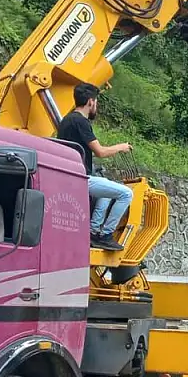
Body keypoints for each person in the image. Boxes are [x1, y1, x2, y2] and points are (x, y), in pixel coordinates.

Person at [56, 82, 134, 251]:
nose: (96, 106)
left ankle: (93, 231)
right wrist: (121, 147)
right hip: (79, 177)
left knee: (104, 191)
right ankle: (106, 234)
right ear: (90, 102)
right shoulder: (81, 122)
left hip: (68, 174)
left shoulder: (66, 120)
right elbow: (100, 152)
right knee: (126, 194)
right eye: (96, 102)